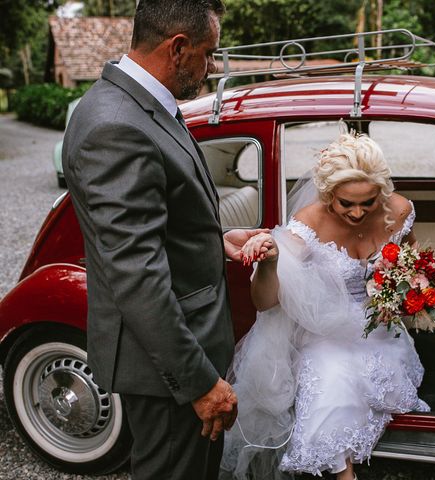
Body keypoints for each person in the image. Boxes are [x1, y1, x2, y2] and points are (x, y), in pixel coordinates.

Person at [62, 1, 268, 478]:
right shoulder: (115, 125)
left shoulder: (139, 103)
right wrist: (199, 383)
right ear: (178, 48)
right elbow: (135, 272)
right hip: (166, 368)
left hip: (180, 348)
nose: (212, 66)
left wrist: (218, 240)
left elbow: (160, 225)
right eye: (209, 53)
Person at [220, 131, 429, 480]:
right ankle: (342, 473)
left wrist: (414, 285)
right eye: (346, 203)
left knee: (375, 381)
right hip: (324, 330)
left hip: (377, 325)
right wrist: (271, 262)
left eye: (369, 201)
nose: (358, 213)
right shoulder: (307, 226)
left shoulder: (400, 210)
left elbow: (412, 262)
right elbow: (264, 302)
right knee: (332, 384)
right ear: (328, 194)